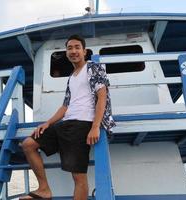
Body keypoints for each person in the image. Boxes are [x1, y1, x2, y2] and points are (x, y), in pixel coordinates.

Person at [19, 34, 115, 200]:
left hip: (82, 125)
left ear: (84, 51)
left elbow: (102, 96)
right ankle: (44, 189)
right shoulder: (72, 77)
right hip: (66, 123)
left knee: (78, 177)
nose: (73, 51)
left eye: (77, 47)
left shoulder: (93, 68)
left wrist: (95, 127)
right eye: (69, 48)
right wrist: (47, 123)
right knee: (28, 144)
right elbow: (65, 106)